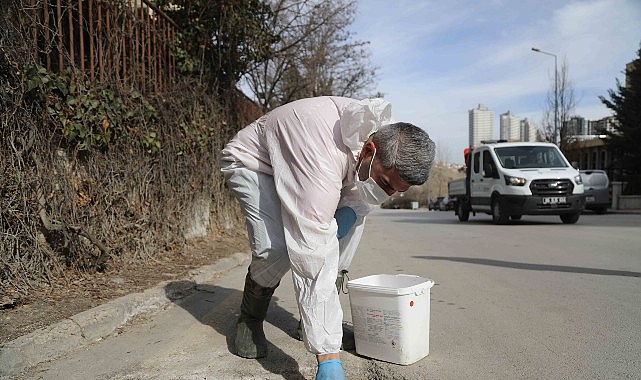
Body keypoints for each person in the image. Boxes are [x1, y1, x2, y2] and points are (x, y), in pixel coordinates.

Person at [220, 96, 435, 379]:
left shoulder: (386, 138)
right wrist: (328, 357)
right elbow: (312, 252)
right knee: (279, 248)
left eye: (396, 190)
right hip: (257, 166)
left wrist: (346, 219)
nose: (387, 194)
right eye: (385, 183)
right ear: (369, 149)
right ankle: (250, 318)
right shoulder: (320, 151)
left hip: (318, 167)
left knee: (351, 220)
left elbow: (361, 196)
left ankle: (312, 323)